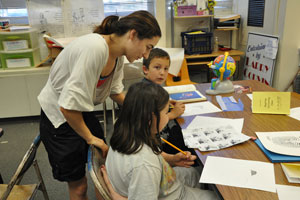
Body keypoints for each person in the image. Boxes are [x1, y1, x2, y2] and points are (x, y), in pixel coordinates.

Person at [38, 10, 161, 200]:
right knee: (79, 187)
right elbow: (67, 108)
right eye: (147, 47)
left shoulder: (117, 55)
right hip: (60, 118)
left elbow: (115, 92)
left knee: (102, 170)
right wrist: (90, 138)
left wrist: (152, 107)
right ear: (133, 34)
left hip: (79, 111)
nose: (146, 54)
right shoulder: (95, 48)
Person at [106, 82, 216, 199]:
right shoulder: (144, 166)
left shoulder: (126, 132)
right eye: (166, 112)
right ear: (150, 118)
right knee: (222, 195)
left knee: (209, 173)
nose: (168, 116)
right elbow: (145, 169)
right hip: (174, 194)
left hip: (165, 181)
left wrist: (172, 160)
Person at [142, 48, 199, 162]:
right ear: (145, 69)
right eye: (157, 67)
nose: (162, 72)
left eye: (166, 68)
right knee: (193, 147)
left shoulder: (151, 86)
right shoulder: (146, 93)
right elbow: (150, 122)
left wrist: (165, 103)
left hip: (163, 137)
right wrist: (172, 114)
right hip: (160, 143)